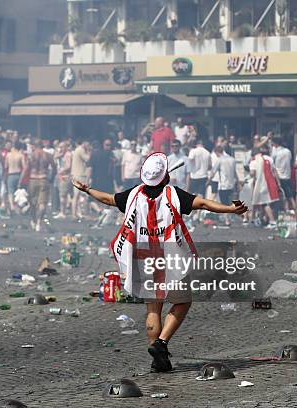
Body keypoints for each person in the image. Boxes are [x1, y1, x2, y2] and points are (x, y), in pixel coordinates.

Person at [71, 153, 247, 372]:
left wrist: (87, 190)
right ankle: (161, 344)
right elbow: (203, 203)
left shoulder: (134, 194)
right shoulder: (173, 194)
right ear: (166, 177)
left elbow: (108, 199)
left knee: (153, 307)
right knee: (183, 301)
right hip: (170, 256)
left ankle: (158, 360)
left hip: (143, 257)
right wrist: (232, 209)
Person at [27, 139, 55, 231]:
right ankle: (39, 222)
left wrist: (21, 181)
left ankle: (33, 221)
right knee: (42, 203)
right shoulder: (47, 155)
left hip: (33, 178)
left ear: (34, 146)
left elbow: (27, 168)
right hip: (43, 178)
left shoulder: (31, 156)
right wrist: (51, 178)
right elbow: (54, 167)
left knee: (32, 203)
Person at [250, 147, 280, 228]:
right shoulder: (269, 159)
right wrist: (278, 183)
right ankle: (264, 219)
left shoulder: (254, 161)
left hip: (261, 184)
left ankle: (272, 221)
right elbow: (274, 171)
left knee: (264, 203)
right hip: (271, 182)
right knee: (269, 202)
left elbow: (252, 174)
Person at [210, 145, 238, 226]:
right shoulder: (232, 160)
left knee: (224, 203)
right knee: (230, 202)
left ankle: (227, 220)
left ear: (217, 152)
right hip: (231, 184)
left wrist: (208, 181)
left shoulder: (220, 160)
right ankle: (230, 217)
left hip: (223, 185)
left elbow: (213, 172)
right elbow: (235, 172)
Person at [5, 141, 26, 215]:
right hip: (18, 174)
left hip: (11, 174)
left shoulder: (8, 155)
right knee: (19, 192)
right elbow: (24, 167)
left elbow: (6, 166)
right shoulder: (20, 155)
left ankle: (12, 206)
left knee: (10, 191)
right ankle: (19, 206)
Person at [70, 139, 90, 219]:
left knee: (77, 196)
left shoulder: (77, 150)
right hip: (80, 175)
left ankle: (76, 213)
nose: (88, 146)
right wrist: (88, 151)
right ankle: (75, 214)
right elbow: (88, 159)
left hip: (76, 174)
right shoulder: (81, 150)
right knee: (78, 195)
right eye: (88, 144)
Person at [54, 141, 72, 219]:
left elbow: (68, 166)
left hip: (65, 176)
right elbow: (55, 158)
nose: (60, 149)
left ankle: (62, 212)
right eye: (59, 147)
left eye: (62, 147)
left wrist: (61, 170)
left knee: (63, 195)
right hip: (61, 176)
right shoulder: (62, 155)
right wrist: (59, 153)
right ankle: (62, 211)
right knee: (62, 194)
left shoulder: (68, 155)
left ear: (66, 147)